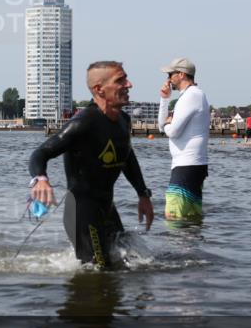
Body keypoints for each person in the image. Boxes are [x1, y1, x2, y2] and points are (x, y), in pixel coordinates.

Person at [29, 61, 153, 268]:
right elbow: (40, 153)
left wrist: (143, 194)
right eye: (120, 81)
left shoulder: (123, 120)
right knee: (98, 270)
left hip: (107, 207)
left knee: (125, 264)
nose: (129, 84)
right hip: (82, 212)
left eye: (126, 79)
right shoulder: (83, 122)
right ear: (99, 89)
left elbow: (127, 157)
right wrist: (40, 179)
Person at [158, 58, 209, 222]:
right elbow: (162, 127)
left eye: (170, 74)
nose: (168, 78)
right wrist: (164, 99)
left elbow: (172, 131)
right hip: (191, 164)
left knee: (173, 216)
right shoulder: (191, 95)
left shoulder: (191, 96)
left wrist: (168, 124)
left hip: (187, 165)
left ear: (181, 74)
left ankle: (176, 241)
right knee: (191, 219)